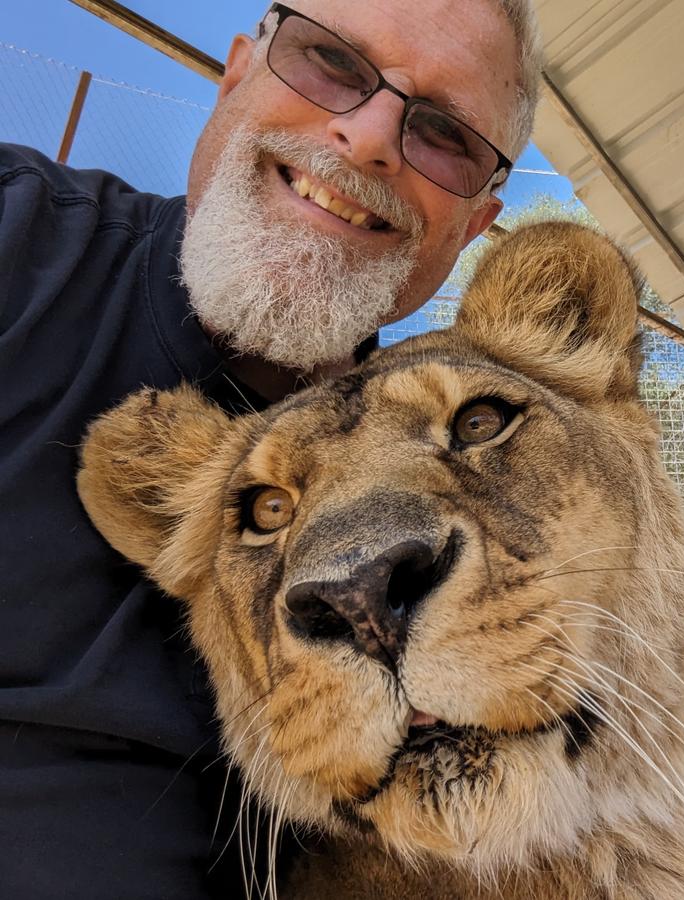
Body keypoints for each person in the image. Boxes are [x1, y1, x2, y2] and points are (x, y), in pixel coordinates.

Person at [0, 2, 543, 896]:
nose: (369, 138)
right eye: (330, 61)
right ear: (236, 71)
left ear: (474, 226)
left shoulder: (473, 456)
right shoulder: (21, 235)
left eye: (443, 131)